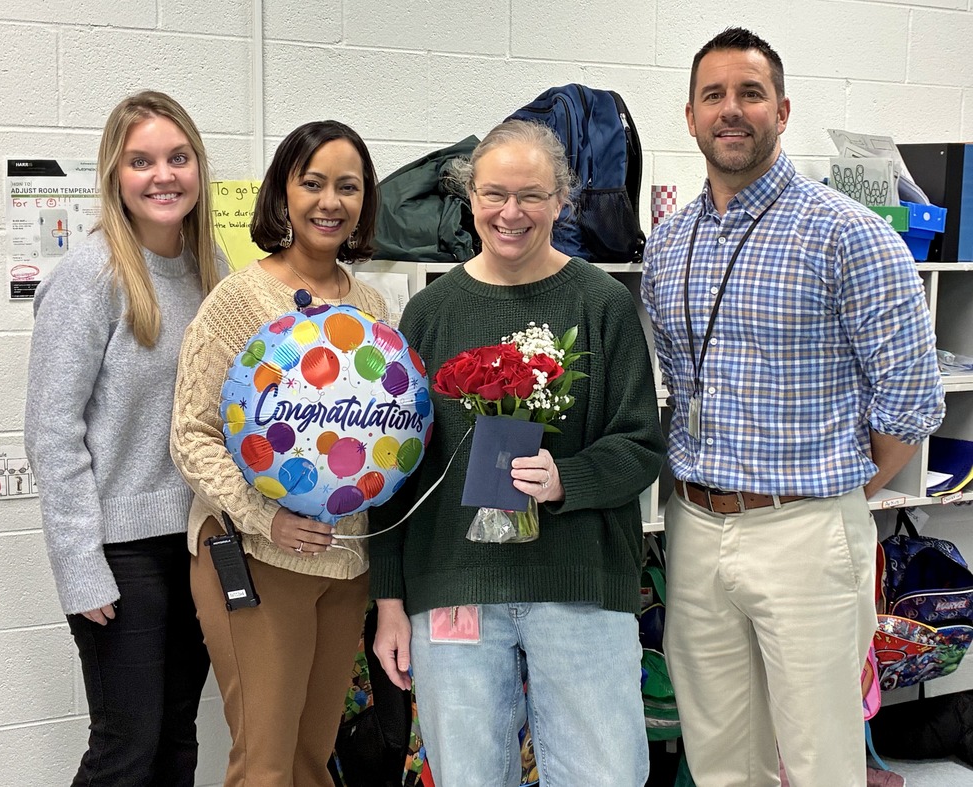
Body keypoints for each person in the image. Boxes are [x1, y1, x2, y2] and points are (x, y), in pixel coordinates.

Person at [640, 27, 945, 787]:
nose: (731, 110)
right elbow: (682, 384)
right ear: (689, 115)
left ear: (781, 108)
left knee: (819, 757)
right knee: (719, 755)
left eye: (749, 93)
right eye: (714, 95)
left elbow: (909, 401)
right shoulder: (669, 243)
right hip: (696, 527)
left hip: (806, 529)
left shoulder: (850, 234)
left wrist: (833, 497)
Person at [368, 119, 665, 787]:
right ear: (469, 197)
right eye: (493, 193)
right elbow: (396, 470)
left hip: (580, 584)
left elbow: (642, 442)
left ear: (563, 199)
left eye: (531, 194)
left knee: (604, 775)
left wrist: (569, 478)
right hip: (456, 587)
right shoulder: (429, 314)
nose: (510, 212)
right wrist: (389, 596)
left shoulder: (603, 305)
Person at [170, 120, 388, 787]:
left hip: (346, 564)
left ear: (363, 202)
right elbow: (191, 433)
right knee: (264, 764)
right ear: (283, 194)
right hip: (258, 556)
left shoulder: (373, 303)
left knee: (311, 759)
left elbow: (385, 430)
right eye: (313, 183)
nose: (330, 201)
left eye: (347, 187)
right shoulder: (239, 301)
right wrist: (267, 519)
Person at [24, 90, 222, 786]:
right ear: (115, 174)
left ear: (199, 167)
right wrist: (79, 565)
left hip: (199, 541)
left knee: (177, 742)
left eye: (177, 157)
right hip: (120, 552)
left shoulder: (212, 274)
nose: (162, 175)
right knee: (125, 749)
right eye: (141, 161)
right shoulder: (90, 276)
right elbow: (52, 432)